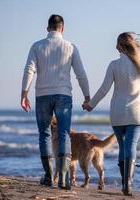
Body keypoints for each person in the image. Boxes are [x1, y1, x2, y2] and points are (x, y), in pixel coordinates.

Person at [21, 14, 90, 189]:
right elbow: (80, 73)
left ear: (48, 28)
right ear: (62, 29)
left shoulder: (37, 46)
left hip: (42, 95)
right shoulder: (71, 47)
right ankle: (64, 179)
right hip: (63, 95)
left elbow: (29, 70)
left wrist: (24, 93)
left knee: (44, 133)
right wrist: (87, 95)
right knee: (65, 133)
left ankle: (49, 175)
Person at [82, 32, 140, 196]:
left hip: (117, 113)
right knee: (131, 146)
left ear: (119, 46)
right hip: (137, 114)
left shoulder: (114, 65)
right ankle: (128, 183)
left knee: (123, 147)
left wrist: (91, 105)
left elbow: (104, 89)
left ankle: (124, 182)